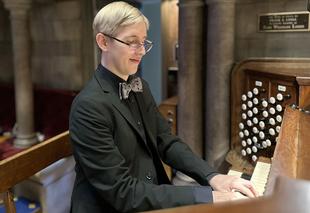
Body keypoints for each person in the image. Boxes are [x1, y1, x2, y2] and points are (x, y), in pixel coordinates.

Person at [69, 1, 258, 213]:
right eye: (132, 42)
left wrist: (212, 177)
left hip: (148, 197)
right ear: (103, 42)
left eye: (143, 42)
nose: (141, 51)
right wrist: (209, 197)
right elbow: (122, 191)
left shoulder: (140, 88)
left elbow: (166, 142)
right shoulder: (88, 106)